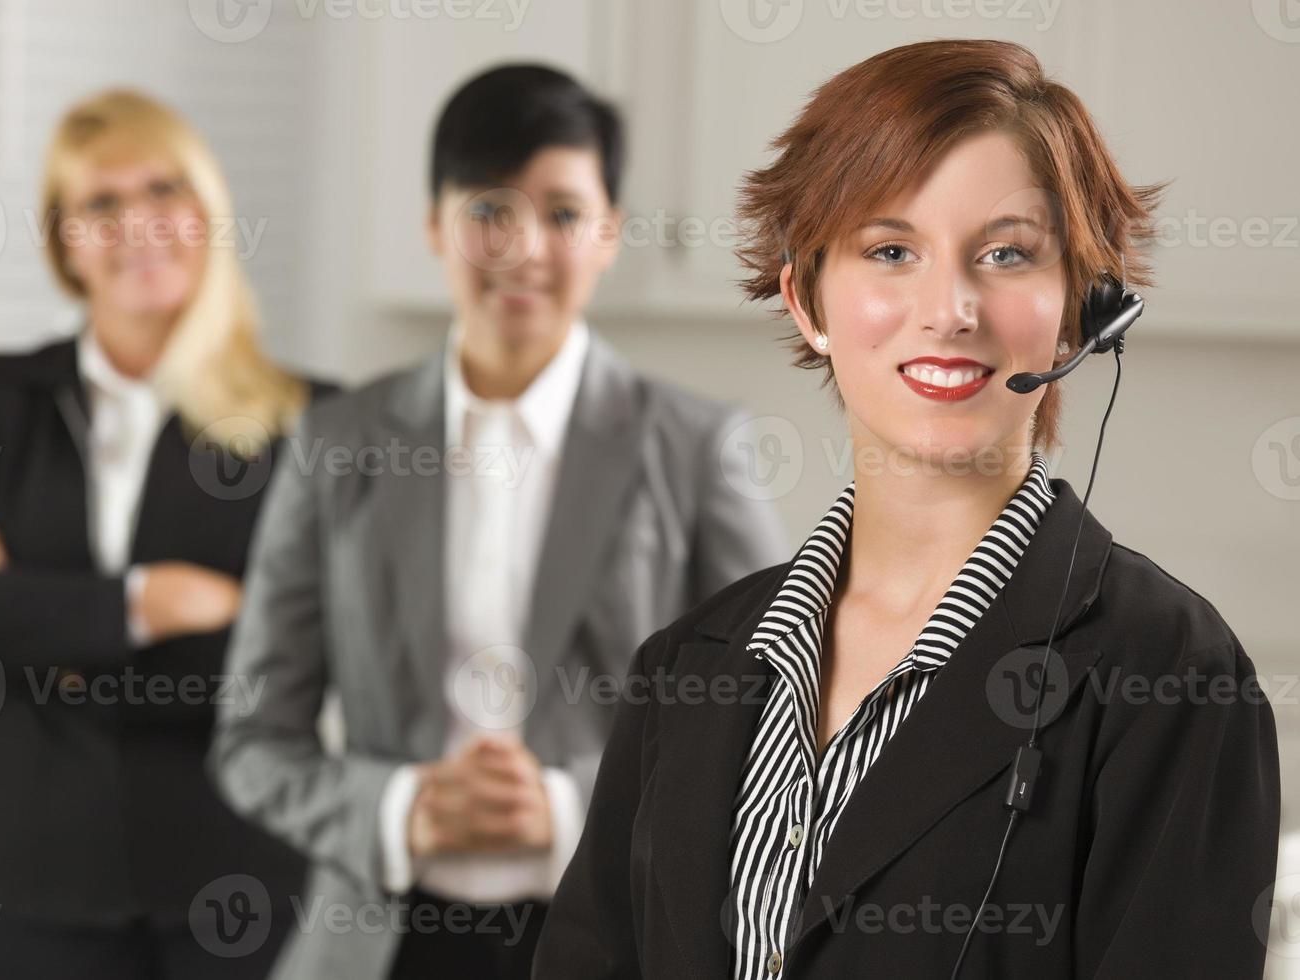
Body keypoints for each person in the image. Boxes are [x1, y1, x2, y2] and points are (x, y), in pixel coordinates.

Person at [533, 39, 1282, 979]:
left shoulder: (1170, 675)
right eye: (891, 251)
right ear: (808, 299)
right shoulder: (688, 667)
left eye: (1007, 254)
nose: (951, 307)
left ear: (1080, 311)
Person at [208, 63, 787, 980]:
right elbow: (252, 741)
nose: (522, 248)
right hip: (376, 948)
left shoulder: (695, 446)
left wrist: (566, 810)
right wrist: (400, 808)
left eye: (561, 213)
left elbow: (773, 734)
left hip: (611, 937)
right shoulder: (335, 445)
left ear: (610, 235)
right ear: (434, 226)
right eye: (488, 211)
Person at [0, 89, 323, 978]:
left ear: (208, 211)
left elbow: (296, 652)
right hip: (25, 881)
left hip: (233, 887)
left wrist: (29, 615)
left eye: (164, 189)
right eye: (101, 203)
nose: (138, 222)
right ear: (63, 243)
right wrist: (155, 601)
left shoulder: (312, 421)